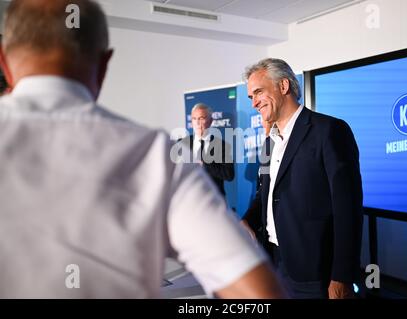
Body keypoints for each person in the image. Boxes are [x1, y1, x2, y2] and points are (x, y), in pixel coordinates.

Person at [0, 0, 286, 299]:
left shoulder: (183, 151)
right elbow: (258, 295)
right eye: (195, 119)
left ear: (3, 62)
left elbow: (228, 175)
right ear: (104, 63)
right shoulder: (157, 154)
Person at [243, 58, 363, 299]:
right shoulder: (269, 142)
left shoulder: (329, 131)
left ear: (284, 86)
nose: (254, 103)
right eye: (250, 97)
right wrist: (248, 220)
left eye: (258, 92)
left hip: (315, 271)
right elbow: (266, 194)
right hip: (274, 262)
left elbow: (347, 208)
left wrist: (341, 276)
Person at [181, 103, 234, 196]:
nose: (197, 123)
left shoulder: (221, 145)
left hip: (214, 200)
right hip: (189, 201)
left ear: (210, 121)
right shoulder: (182, 144)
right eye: (194, 119)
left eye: (201, 118)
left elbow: (229, 175)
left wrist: (204, 164)